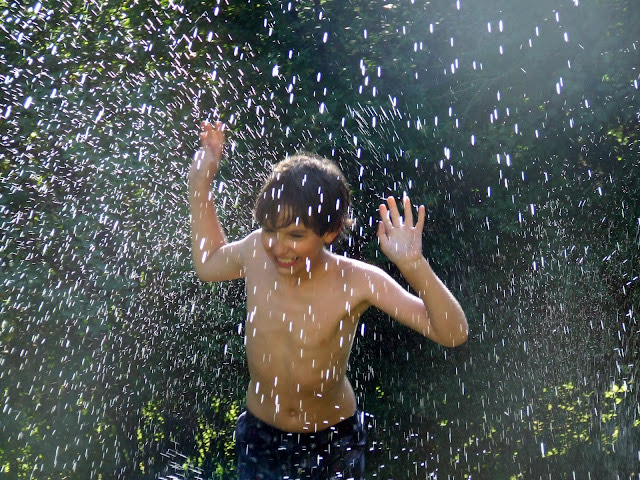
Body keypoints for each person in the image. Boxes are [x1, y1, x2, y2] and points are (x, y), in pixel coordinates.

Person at [188, 120, 468, 480]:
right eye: (270, 230)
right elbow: (209, 263)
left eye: (296, 235)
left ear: (331, 231)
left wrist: (414, 265)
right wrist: (200, 185)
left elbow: (452, 333)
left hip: (332, 444)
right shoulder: (255, 251)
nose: (278, 246)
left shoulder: (357, 281)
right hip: (260, 437)